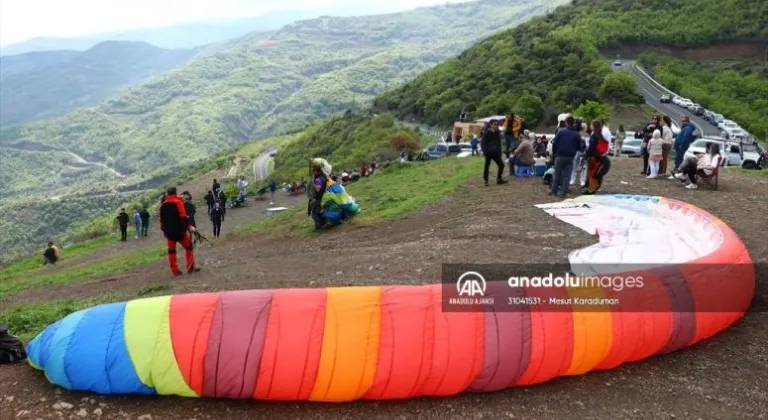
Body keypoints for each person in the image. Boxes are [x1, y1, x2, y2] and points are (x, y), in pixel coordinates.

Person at [160, 187, 198, 276]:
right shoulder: (178, 202)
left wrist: (165, 231)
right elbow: (183, 216)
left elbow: (162, 220)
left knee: (171, 251)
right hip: (179, 231)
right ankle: (190, 266)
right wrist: (189, 227)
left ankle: (175, 270)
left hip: (169, 232)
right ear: (175, 193)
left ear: (168, 194)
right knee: (189, 247)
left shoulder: (163, 205)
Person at [550, 116, 582, 198]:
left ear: (566, 122)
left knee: (557, 173)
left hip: (560, 155)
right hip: (570, 156)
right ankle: (563, 192)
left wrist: (554, 153)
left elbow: (554, 143)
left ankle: (553, 190)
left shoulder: (561, 131)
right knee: (567, 175)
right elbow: (579, 147)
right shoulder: (576, 134)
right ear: (573, 123)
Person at [584, 120, 611, 194]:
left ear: (594, 126)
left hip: (593, 157)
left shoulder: (594, 135)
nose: (590, 126)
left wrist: (587, 155)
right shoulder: (600, 134)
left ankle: (591, 188)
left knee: (591, 173)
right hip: (599, 156)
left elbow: (591, 147)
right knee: (595, 172)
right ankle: (595, 187)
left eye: (591, 125)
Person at [480, 119, 507, 187]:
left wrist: (500, 151)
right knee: (487, 167)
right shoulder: (486, 133)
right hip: (488, 153)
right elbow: (483, 144)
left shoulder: (497, 132)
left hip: (496, 152)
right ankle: (486, 181)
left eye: (497, 124)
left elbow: (499, 143)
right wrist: (485, 152)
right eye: (494, 124)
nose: (496, 126)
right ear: (491, 124)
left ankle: (499, 179)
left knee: (501, 165)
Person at [308, 159, 330, 230]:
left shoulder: (319, 179)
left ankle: (319, 226)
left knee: (315, 213)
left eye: (314, 171)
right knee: (319, 212)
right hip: (322, 198)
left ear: (318, 171)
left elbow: (317, 190)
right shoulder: (324, 177)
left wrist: (314, 185)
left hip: (318, 199)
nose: (313, 172)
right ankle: (323, 224)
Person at [571, 121, 589, 189]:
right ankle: (573, 179)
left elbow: (588, 145)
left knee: (583, 166)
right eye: (584, 127)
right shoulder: (578, 134)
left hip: (584, 152)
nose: (585, 128)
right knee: (574, 165)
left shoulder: (587, 135)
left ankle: (582, 180)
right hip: (577, 151)